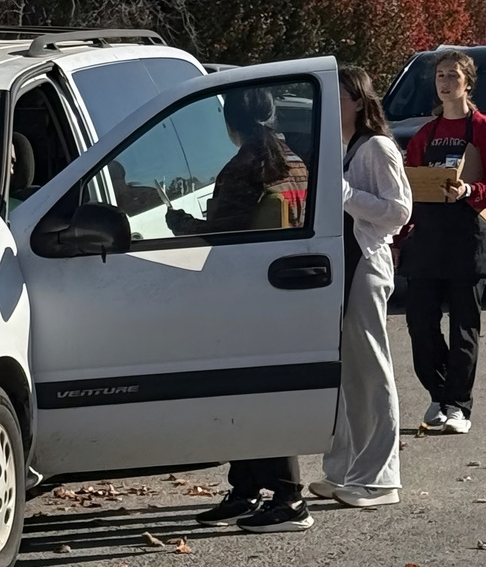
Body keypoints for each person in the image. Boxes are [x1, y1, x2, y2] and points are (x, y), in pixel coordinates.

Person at [183, 87, 313, 532]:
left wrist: (181, 225)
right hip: (282, 290)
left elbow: (223, 235)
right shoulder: (292, 160)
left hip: (244, 293)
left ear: (230, 123)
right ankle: (245, 489)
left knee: (260, 398)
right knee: (251, 393)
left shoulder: (244, 167)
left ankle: (289, 498)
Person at [309, 65, 412, 508]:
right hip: (340, 263)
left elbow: (399, 211)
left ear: (357, 101)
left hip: (366, 262)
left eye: (338, 98)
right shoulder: (338, 146)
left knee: (371, 368)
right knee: (346, 371)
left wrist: (348, 195)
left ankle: (380, 479)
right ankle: (344, 469)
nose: (331, 107)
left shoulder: (377, 147)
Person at [402, 50, 486, 434]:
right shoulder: (424, 135)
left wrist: (468, 190)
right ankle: (440, 394)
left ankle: (459, 407)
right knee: (420, 323)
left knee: (464, 328)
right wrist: (400, 234)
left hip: (469, 241)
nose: (445, 83)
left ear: (468, 83)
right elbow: (410, 187)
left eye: (453, 76)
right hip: (428, 241)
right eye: (440, 76)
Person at [166, 88, 307, 236]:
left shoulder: (239, 172)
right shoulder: (298, 164)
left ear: (229, 125)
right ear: (271, 117)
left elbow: (220, 237)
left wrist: (180, 223)